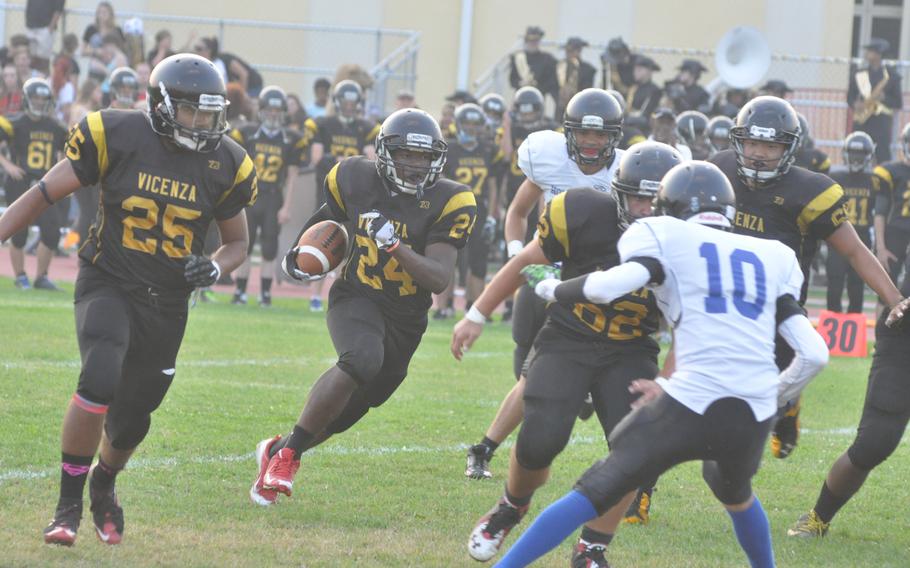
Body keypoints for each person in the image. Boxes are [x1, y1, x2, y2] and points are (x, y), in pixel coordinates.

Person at [491, 160, 831, 568]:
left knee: (595, 488)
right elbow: (813, 354)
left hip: (689, 402)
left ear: (668, 206)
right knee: (735, 494)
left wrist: (550, 286)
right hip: (751, 411)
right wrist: (773, 395)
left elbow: (603, 288)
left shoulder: (663, 232)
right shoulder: (773, 254)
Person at [0, 53, 256, 546]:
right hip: (109, 279)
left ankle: (104, 483)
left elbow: (237, 243)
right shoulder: (115, 133)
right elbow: (44, 191)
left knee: (135, 414)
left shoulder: (226, 161)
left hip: (168, 300)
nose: (203, 123)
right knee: (99, 374)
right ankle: (67, 504)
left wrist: (217, 266)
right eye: (192, 112)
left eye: (210, 113)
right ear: (161, 105)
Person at [454, 142, 681, 567]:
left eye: (656, 199)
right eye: (637, 196)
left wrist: (666, 382)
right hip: (569, 337)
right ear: (617, 193)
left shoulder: (685, 240)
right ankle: (510, 507)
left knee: (638, 449)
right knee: (541, 439)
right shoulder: (580, 211)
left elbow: (692, 328)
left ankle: (592, 547)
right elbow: (525, 259)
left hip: (631, 349)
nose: (646, 209)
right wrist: (477, 313)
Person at [248, 108, 476, 506]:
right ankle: (286, 459)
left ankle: (279, 448)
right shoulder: (353, 177)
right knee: (361, 358)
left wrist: (394, 245)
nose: (414, 164)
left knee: (353, 409)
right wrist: (300, 258)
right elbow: (328, 222)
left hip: (406, 316)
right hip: (357, 295)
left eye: (423, 156)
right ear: (385, 153)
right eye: (406, 154)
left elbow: (440, 279)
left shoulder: (450, 199)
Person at [709, 96, 902, 460]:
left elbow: (855, 251)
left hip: (779, 306)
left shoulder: (809, 190)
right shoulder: (719, 168)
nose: (758, 153)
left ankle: (788, 408)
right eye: (751, 142)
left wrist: (894, 300)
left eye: (770, 144)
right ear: (738, 140)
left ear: (790, 148)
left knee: (776, 388)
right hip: (725, 298)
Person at [463, 89, 625, 481]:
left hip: (596, 285)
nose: (591, 142)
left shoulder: (626, 171)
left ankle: (486, 447)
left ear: (615, 137)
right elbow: (517, 212)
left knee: (603, 381)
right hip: (544, 277)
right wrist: (521, 256)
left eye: (601, 135)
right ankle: (486, 447)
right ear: (568, 132)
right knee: (529, 371)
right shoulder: (547, 157)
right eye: (584, 134)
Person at [788, 292, 910, 538]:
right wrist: (893, 298)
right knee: (874, 442)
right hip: (904, 332)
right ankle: (818, 518)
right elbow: (862, 254)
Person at [303, 79, 380, 310]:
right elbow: (317, 159)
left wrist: (340, 161)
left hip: (354, 195)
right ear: (337, 102)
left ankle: (337, 295)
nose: (348, 106)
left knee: (347, 248)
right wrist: (345, 162)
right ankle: (314, 296)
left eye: (352, 102)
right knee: (319, 242)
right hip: (328, 192)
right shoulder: (323, 124)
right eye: (345, 102)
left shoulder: (367, 128)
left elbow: (371, 160)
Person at [230, 86, 306, 307]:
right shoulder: (246, 133)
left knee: (270, 248)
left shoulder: (291, 138)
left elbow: (292, 176)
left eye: (277, 110)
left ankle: (265, 293)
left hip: (273, 196)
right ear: (262, 110)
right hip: (250, 196)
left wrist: (287, 206)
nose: (273, 114)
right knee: (245, 245)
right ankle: (240, 291)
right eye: (269, 109)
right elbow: (236, 169)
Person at [434, 103, 503, 319]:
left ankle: (475, 307)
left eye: (476, 124)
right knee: (448, 257)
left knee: (478, 260)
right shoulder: (449, 147)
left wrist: (493, 215)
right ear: (458, 124)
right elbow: (438, 178)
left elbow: (493, 186)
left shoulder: (489, 149)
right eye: (467, 124)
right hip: (453, 208)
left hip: (479, 208)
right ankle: (443, 307)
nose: (471, 128)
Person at [0, 78, 68, 290]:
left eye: (43, 98)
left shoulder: (56, 126)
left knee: (52, 231)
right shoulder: (13, 123)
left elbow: (66, 154)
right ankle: (20, 276)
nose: (39, 102)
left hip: (45, 184)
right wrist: (7, 165)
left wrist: (58, 172)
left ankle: (41, 277)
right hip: (20, 182)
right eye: (36, 98)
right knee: (18, 232)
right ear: (27, 99)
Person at [826, 132, 878, 313]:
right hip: (837, 236)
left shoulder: (875, 180)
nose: (856, 158)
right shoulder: (834, 176)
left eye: (860, 154)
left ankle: (854, 325)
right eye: (853, 153)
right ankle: (833, 323)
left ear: (869, 155)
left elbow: (880, 212)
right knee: (835, 282)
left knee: (856, 286)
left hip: (862, 237)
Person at [848, 38, 902, 164]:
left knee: (882, 155)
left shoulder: (892, 76)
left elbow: (898, 102)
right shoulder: (859, 73)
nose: (867, 54)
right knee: (857, 152)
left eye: (870, 51)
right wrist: (855, 104)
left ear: (878, 54)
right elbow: (850, 97)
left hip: (881, 123)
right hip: (862, 121)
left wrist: (884, 98)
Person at [872, 123, 910, 290]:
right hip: (895, 234)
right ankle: (884, 318)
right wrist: (881, 248)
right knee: (886, 292)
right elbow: (880, 212)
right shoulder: (890, 171)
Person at [509, 26, 558, 113]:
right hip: (521, 98)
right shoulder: (517, 57)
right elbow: (512, 80)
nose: (533, 43)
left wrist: (537, 86)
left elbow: (551, 82)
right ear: (526, 41)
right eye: (530, 41)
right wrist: (520, 84)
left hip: (538, 99)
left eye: (535, 41)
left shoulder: (547, 59)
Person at [556, 37, 596, 121]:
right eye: (568, 51)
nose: (569, 54)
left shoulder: (588, 69)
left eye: (572, 51)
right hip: (561, 109)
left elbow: (587, 91)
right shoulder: (560, 66)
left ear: (579, 51)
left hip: (579, 108)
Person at [25, 0, 65, 74]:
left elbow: (58, 9)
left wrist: (50, 29)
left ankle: (43, 81)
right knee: (31, 58)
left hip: (45, 28)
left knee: (43, 59)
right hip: (31, 26)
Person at [626, 56, 662, 130]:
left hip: (645, 128)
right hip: (630, 125)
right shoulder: (633, 88)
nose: (635, 72)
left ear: (649, 71)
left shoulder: (655, 90)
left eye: (639, 69)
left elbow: (646, 115)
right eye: (635, 69)